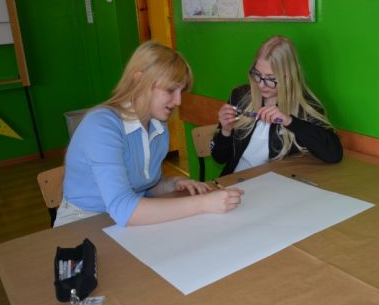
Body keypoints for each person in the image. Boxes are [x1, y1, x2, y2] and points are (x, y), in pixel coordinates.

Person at [57, 41, 243, 227]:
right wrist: (202, 204)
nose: (178, 101)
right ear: (139, 81)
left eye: (181, 91)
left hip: (125, 220)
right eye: (170, 90)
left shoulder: (158, 126)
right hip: (82, 221)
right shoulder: (101, 126)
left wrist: (172, 184)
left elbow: (145, 187)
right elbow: (124, 209)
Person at [212, 35, 342, 175]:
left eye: (271, 78)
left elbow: (333, 154)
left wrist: (290, 121)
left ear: (289, 76)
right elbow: (219, 158)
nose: (261, 84)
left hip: (277, 183)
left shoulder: (305, 107)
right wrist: (225, 131)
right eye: (257, 74)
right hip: (236, 181)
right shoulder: (240, 97)